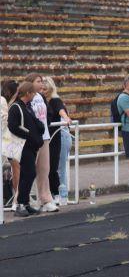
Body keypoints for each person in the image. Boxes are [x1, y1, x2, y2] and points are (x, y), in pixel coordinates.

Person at [7, 81, 45, 217]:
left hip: (30, 146)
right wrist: (29, 135)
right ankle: (21, 204)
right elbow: (12, 126)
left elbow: (34, 123)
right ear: (28, 93)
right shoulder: (16, 107)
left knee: (27, 174)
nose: (35, 95)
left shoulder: (26, 106)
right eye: (33, 92)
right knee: (28, 174)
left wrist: (39, 128)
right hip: (23, 146)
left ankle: (25, 203)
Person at [25, 74, 57, 212]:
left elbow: (48, 114)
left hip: (44, 137)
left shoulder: (41, 97)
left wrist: (44, 126)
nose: (42, 84)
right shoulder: (26, 98)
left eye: (42, 81)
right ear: (30, 83)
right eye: (39, 81)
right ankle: (24, 200)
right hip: (32, 139)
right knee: (29, 171)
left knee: (45, 169)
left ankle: (46, 199)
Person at [43, 77, 73, 206]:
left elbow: (61, 110)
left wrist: (66, 117)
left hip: (59, 136)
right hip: (52, 136)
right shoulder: (43, 100)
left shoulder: (54, 100)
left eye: (45, 89)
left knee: (57, 168)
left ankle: (61, 195)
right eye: (41, 88)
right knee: (51, 167)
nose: (43, 91)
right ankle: (55, 194)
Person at [1, 80, 22, 206]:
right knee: (16, 167)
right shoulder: (3, 101)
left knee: (16, 167)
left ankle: (17, 198)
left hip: (10, 138)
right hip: (8, 137)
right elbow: (4, 120)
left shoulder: (14, 102)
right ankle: (16, 199)